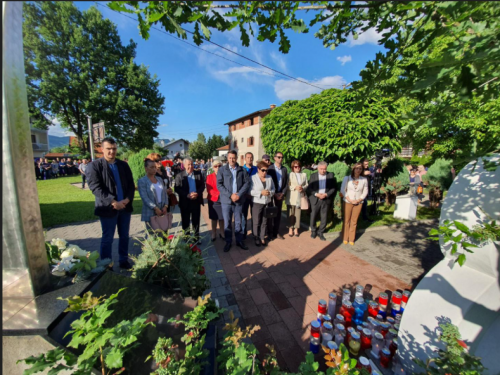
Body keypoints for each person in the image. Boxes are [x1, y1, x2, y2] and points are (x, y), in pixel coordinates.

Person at [86, 137, 135, 269]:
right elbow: (95, 188)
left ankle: (123, 260)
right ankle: (107, 264)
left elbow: (131, 185)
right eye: (108, 149)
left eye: (114, 148)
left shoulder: (123, 165)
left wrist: (127, 200)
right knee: (108, 238)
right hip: (108, 208)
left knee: (124, 236)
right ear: (102, 149)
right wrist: (113, 202)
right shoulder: (94, 166)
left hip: (125, 207)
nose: (111, 151)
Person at [217, 150, 250, 252]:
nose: (232, 160)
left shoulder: (242, 170)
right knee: (227, 223)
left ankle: (239, 241)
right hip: (226, 201)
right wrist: (230, 195)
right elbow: (219, 185)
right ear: (227, 158)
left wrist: (239, 194)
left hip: (239, 200)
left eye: (233, 158)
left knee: (238, 222)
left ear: (236, 158)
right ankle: (228, 242)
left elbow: (247, 183)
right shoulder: (222, 170)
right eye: (230, 158)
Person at [175, 157, 205, 243]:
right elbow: (177, 188)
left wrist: (197, 193)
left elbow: (202, 186)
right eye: (188, 164)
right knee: (185, 221)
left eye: (192, 164)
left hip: (195, 201)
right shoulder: (179, 176)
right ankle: (186, 238)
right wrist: (187, 195)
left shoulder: (198, 174)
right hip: (185, 201)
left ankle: (196, 238)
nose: (190, 166)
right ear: (184, 165)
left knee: (196, 220)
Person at [340, 162, 369, 246]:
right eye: (357, 168)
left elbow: (365, 191)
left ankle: (351, 238)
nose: (358, 170)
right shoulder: (347, 178)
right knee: (347, 220)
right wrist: (349, 199)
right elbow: (343, 189)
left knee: (354, 221)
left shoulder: (364, 180)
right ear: (353, 169)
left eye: (360, 168)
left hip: (358, 202)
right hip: (348, 201)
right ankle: (345, 237)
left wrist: (359, 199)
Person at [306, 161, 336, 241]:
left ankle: (321, 232)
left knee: (324, 216)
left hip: (326, 199)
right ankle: (313, 230)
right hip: (316, 199)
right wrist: (316, 194)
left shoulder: (330, 175)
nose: (323, 170)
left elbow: (333, 188)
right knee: (313, 215)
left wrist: (326, 194)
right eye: (321, 169)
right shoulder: (313, 176)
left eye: (324, 169)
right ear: (318, 168)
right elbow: (309, 189)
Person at [138, 158, 169, 229]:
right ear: (146, 168)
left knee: (164, 234)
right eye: (151, 167)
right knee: (152, 236)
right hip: (150, 212)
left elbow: (165, 194)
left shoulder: (159, 179)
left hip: (162, 211)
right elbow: (144, 197)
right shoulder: (142, 181)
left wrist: (165, 206)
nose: (154, 169)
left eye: (155, 167)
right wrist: (155, 208)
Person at [251, 161, 275, 247]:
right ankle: (256, 237)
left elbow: (273, 189)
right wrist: (260, 192)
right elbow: (250, 191)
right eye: (263, 170)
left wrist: (270, 193)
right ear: (258, 169)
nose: (265, 172)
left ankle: (262, 237)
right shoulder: (253, 178)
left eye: (266, 170)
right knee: (256, 221)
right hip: (257, 202)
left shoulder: (269, 178)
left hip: (267, 202)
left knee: (264, 221)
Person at [267, 152, 289, 240]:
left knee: (278, 214)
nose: (280, 159)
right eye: (279, 157)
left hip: (280, 194)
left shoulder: (284, 169)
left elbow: (286, 183)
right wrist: (275, 193)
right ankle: (269, 233)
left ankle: (276, 232)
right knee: (270, 214)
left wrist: (282, 193)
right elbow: (268, 182)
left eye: (282, 157)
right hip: (272, 194)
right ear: (275, 158)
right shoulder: (270, 169)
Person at [286, 160, 308, 237]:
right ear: (293, 168)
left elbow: (306, 184)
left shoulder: (304, 175)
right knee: (291, 213)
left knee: (298, 214)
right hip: (292, 196)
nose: (297, 168)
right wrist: (295, 187)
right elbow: (287, 186)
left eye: (299, 166)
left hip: (300, 197)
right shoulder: (290, 175)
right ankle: (290, 228)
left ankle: (296, 229)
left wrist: (303, 188)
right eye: (295, 167)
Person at [206, 157, 225, 241]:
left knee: (222, 218)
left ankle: (222, 232)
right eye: (215, 166)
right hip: (213, 200)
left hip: (223, 200)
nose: (217, 168)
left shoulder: (225, 176)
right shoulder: (209, 177)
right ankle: (214, 233)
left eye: (219, 166)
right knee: (214, 218)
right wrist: (219, 194)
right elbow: (209, 189)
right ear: (213, 167)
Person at [242, 152, 258, 239]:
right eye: (248, 157)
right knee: (243, 215)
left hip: (254, 196)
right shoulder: (241, 169)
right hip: (244, 196)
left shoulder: (256, 169)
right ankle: (243, 233)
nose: (249, 159)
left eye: (251, 157)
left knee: (254, 215)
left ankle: (254, 232)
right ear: (245, 158)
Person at [360, 158, 374, 223]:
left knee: (364, 203)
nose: (367, 166)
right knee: (364, 202)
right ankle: (364, 217)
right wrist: (363, 173)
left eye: (367, 164)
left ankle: (364, 216)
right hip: (361, 189)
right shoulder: (360, 169)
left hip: (366, 188)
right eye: (365, 164)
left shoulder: (367, 169)